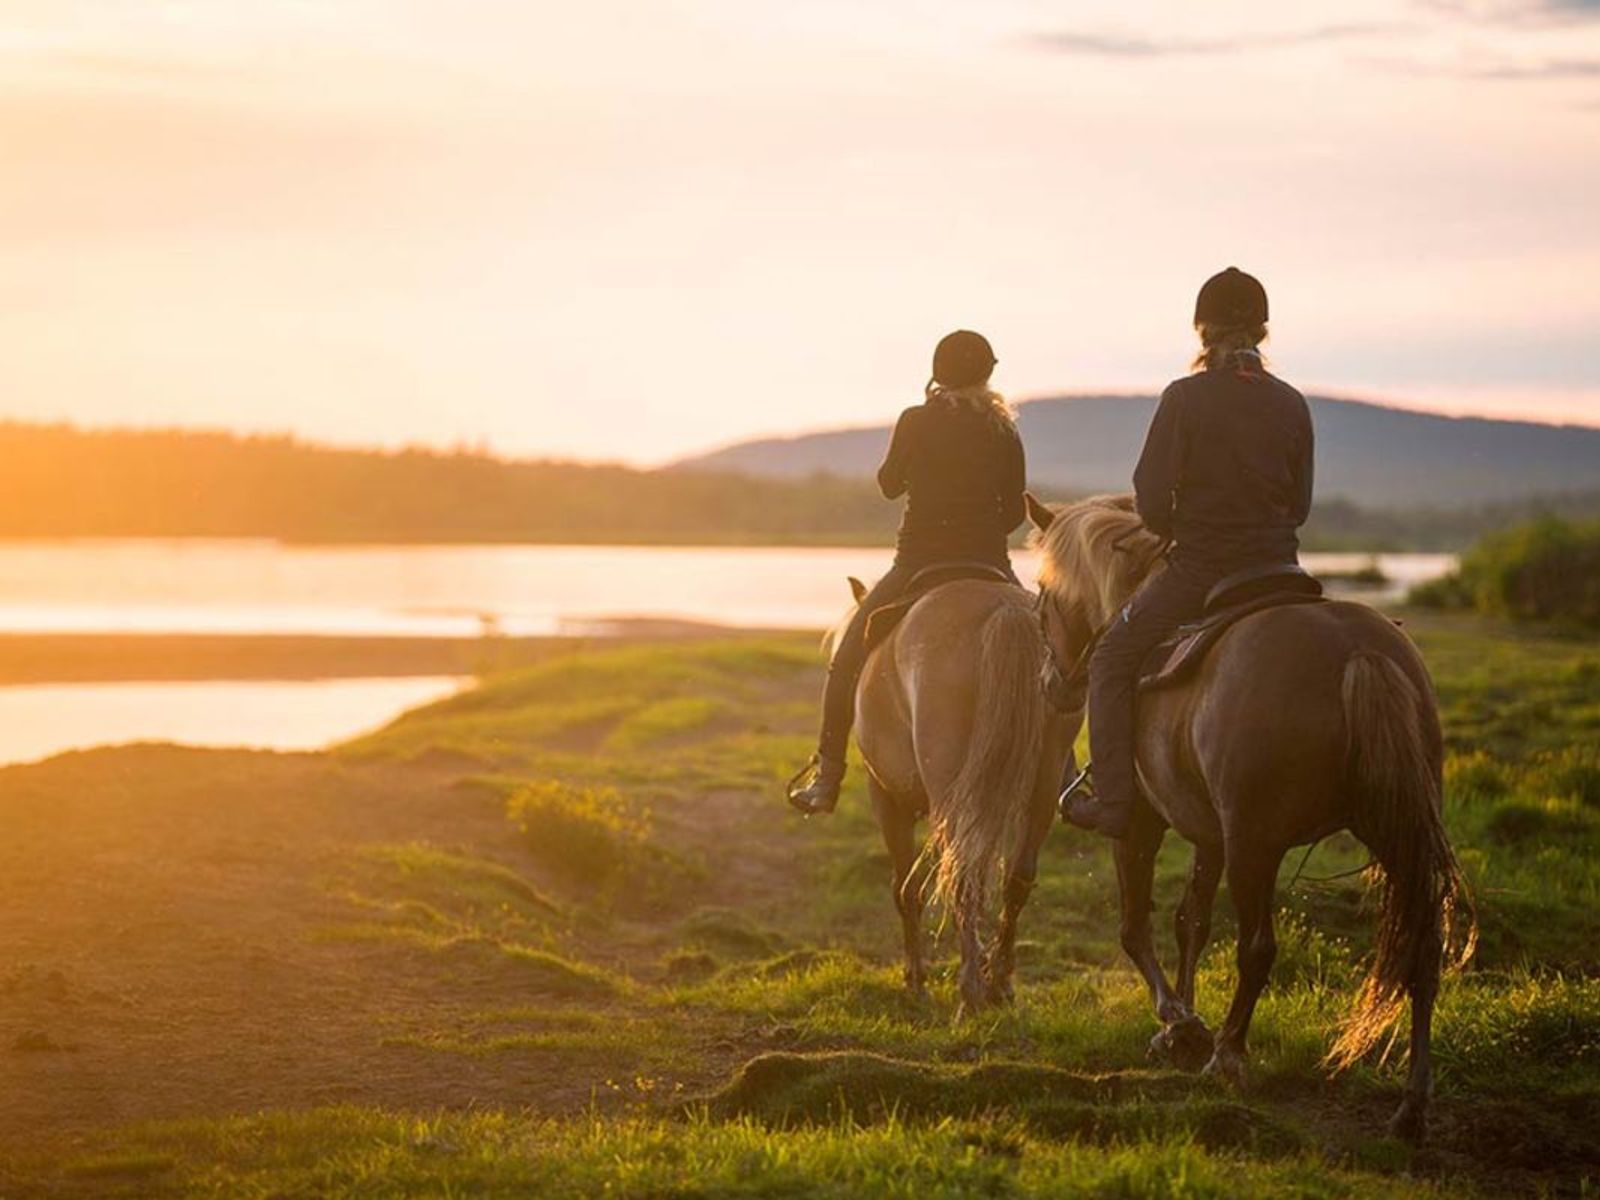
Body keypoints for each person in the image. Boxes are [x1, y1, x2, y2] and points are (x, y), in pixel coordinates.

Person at [1061, 267, 1314, 839]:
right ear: (1263, 332)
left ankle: (1114, 802)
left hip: (1201, 569)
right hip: (1282, 571)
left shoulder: (1184, 397)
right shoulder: (1292, 403)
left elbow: (1150, 497)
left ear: (1202, 333)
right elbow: (1299, 505)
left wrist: (1177, 529)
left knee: (1111, 657)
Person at [786, 329, 1027, 815]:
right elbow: (1014, 514)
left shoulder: (916, 420)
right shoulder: (1004, 429)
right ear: (987, 374)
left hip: (918, 562)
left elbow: (889, 485)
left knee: (848, 654)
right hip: (990, 563)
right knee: (1045, 657)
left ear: (937, 375)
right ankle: (1065, 776)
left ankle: (827, 775)